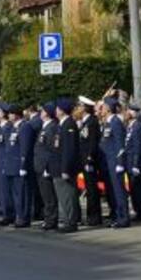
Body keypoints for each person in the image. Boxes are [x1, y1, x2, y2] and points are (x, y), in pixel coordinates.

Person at [100, 96, 129, 228]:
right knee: (112, 191)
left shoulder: (116, 122)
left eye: (104, 106)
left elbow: (120, 145)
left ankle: (123, 218)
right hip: (108, 161)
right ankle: (117, 215)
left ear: (109, 108)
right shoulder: (108, 122)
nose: (102, 108)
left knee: (119, 191)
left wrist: (120, 163)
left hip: (114, 162)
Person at [54, 98, 80, 233]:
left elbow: (68, 150)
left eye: (57, 108)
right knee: (62, 197)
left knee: (68, 196)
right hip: (58, 167)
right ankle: (65, 220)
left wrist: (65, 169)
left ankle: (70, 222)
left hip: (65, 168)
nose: (55, 111)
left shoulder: (69, 124)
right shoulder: (62, 124)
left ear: (62, 110)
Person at [76, 96, 104, 228]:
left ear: (85, 108)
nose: (78, 108)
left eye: (80, 105)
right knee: (88, 188)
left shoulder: (92, 122)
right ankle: (91, 215)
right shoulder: (85, 122)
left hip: (89, 160)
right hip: (83, 159)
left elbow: (92, 142)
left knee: (92, 189)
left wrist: (89, 158)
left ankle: (94, 217)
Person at [33, 103, 59, 231]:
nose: (40, 112)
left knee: (49, 196)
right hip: (39, 165)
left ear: (47, 113)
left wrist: (48, 168)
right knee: (45, 195)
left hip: (45, 166)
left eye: (42, 110)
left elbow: (51, 150)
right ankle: (48, 217)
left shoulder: (52, 127)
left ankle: (51, 219)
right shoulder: (44, 127)